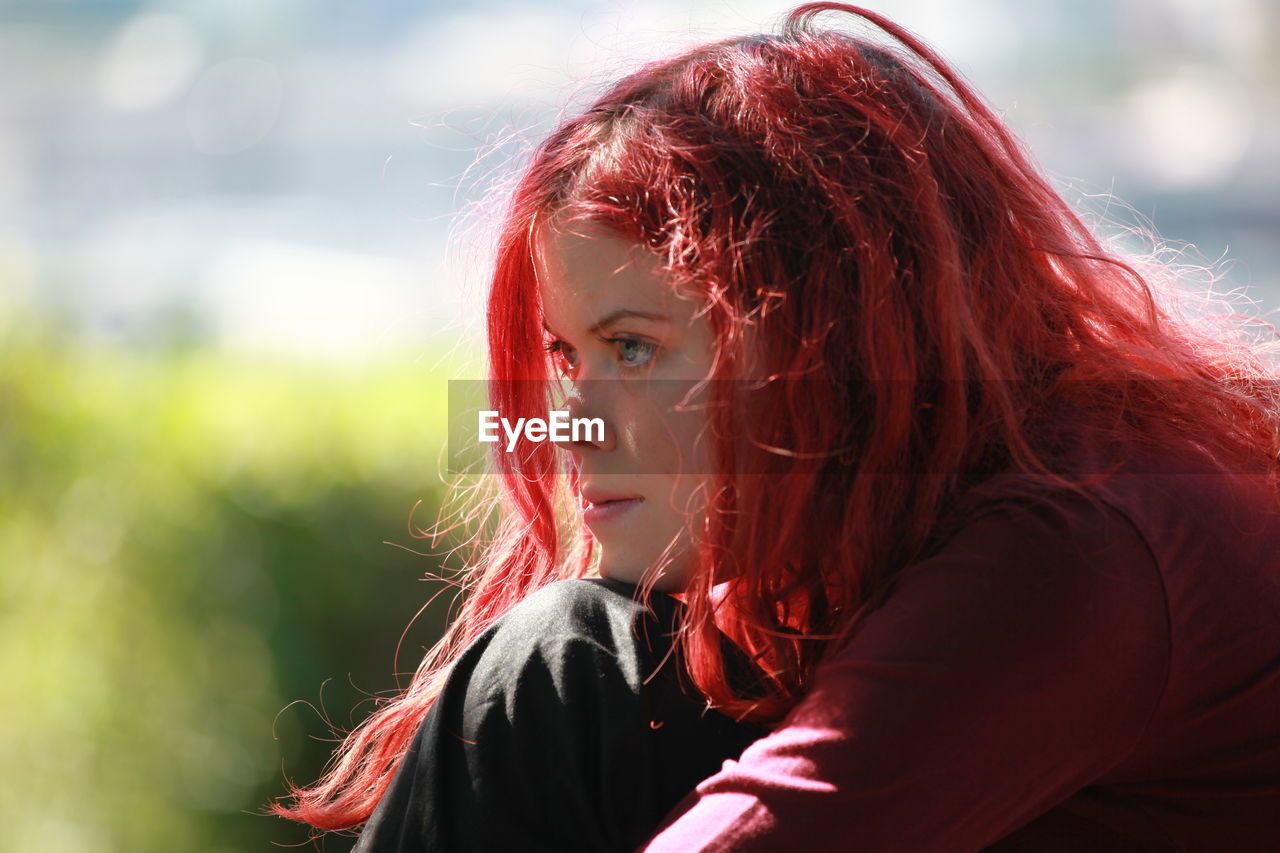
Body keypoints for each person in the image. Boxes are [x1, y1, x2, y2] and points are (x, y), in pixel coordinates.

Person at [272, 3, 1280, 850]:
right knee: (575, 663)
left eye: (632, 349)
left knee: (560, 666)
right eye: (567, 359)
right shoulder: (938, 509)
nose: (570, 425)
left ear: (822, 337)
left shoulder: (1080, 542)